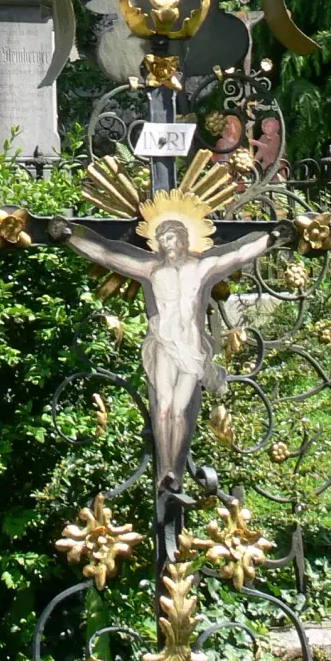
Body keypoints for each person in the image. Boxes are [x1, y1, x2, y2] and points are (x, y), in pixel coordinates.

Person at [50, 208, 286, 496]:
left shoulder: (201, 268)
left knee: (178, 411)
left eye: (171, 237)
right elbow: (108, 256)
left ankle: (174, 467)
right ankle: (167, 472)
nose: (166, 243)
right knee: (162, 407)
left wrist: (272, 238)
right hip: (162, 343)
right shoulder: (151, 269)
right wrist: (70, 237)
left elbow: (236, 256)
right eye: (161, 238)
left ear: (184, 239)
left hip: (190, 348)